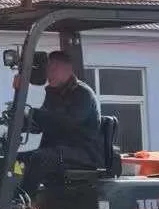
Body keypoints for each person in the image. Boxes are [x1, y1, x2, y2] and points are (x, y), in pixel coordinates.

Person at [15, 51, 102, 198]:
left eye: (53, 69)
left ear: (67, 69)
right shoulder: (54, 93)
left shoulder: (82, 94)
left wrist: (35, 114)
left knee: (39, 158)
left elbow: (68, 122)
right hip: (58, 150)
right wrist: (24, 121)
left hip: (82, 152)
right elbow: (43, 122)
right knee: (17, 160)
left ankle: (24, 200)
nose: (49, 74)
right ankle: (15, 190)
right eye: (48, 69)